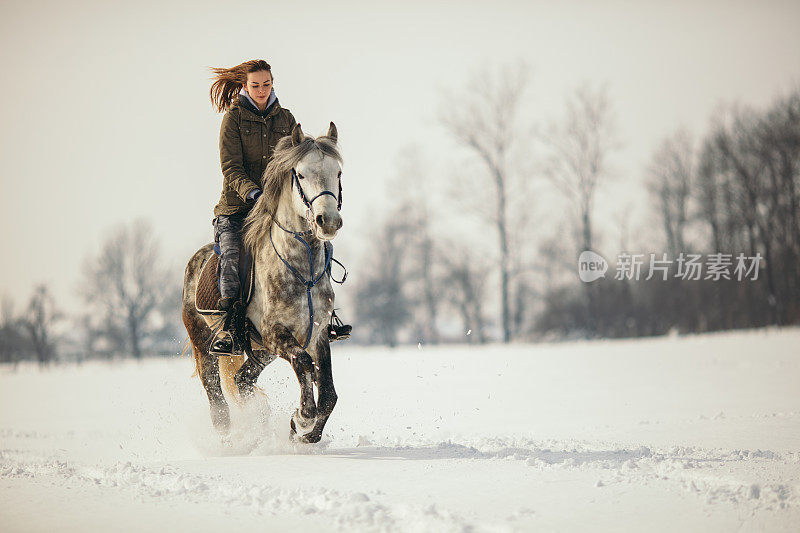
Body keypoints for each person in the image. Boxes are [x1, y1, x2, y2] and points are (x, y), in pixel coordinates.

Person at [208, 60, 350, 355]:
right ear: (245, 86)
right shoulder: (233, 119)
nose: (261, 90)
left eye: (266, 84)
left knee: (319, 243)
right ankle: (230, 327)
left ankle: (326, 314)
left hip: (278, 208)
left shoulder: (286, 119)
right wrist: (254, 194)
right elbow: (230, 168)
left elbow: (298, 167)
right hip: (238, 208)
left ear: (272, 84)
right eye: (255, 85)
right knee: (232, 257)